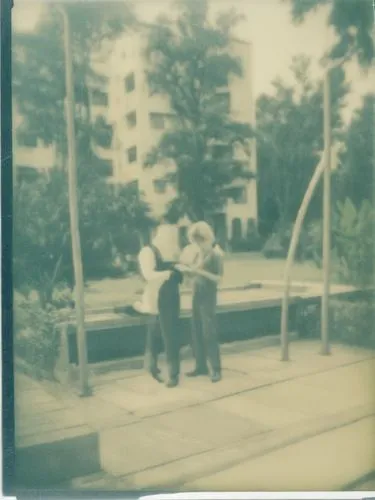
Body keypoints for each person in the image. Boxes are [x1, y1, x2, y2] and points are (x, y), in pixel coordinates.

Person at [135, 223, 183, 388]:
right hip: (156, 297)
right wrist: (168, 273)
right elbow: (148, 275)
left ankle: (172, 373)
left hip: (170, 297)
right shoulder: (147, 252)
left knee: (169, 334)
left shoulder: (169, 252)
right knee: (156, 334)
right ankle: (153, 367)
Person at [177, 221, 224, 383]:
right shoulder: (198, 254)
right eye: (195, 242)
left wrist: (200, 271)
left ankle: (216, 368)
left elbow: (218, 279)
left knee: (208, 331)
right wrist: (188, 273)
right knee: (196, 330)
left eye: (200, 241)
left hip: (208, 297)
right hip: (196, 295)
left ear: (207, 238)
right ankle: (201, 365)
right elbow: (195, 273)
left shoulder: (216, 254)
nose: (198, 245)